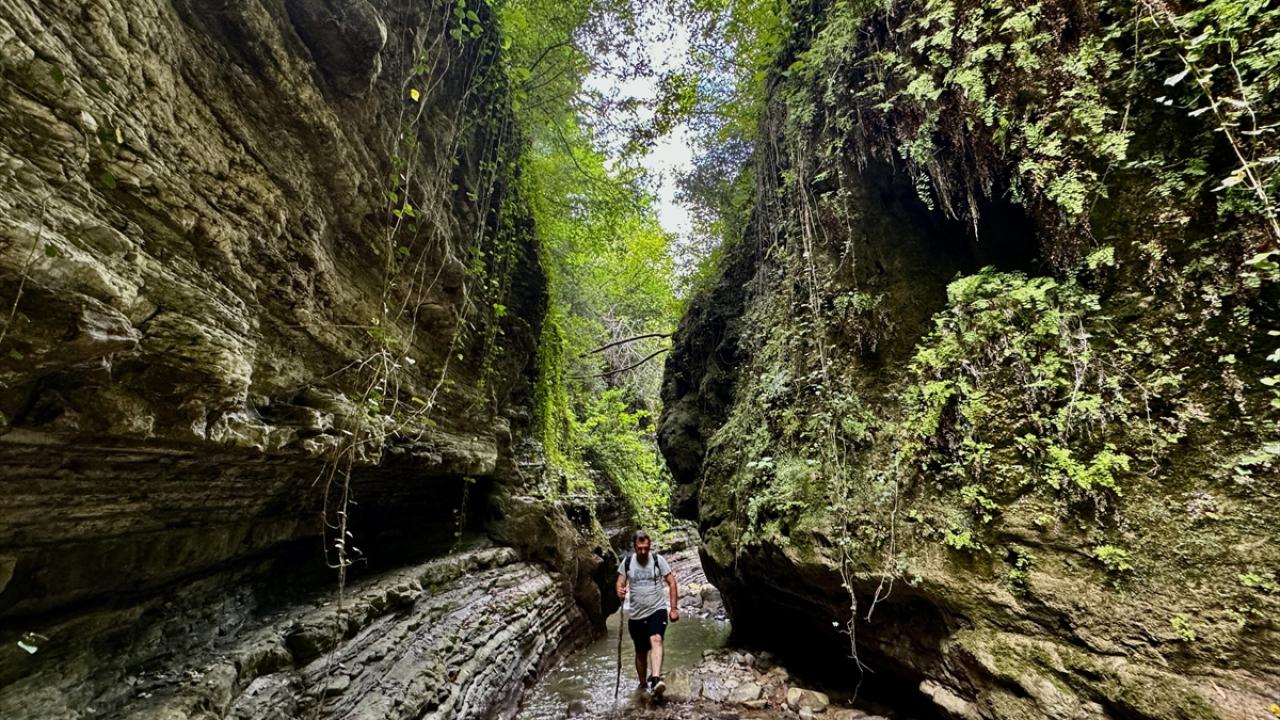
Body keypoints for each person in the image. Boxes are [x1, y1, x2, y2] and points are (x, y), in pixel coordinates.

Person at [616, 530, 679, 698]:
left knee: (656, 638)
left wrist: (673, 608)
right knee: (641, 652)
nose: (643, 552)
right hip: (636, 614)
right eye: (640, 548)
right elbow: (620, 583)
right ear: (634, 547)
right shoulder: (627, 562)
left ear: (650, 546)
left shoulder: (658, 561)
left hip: (657, 609)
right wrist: (620, 591)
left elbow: (672, 583)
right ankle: (643, 683)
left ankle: (656, 679)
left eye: (646, 548)